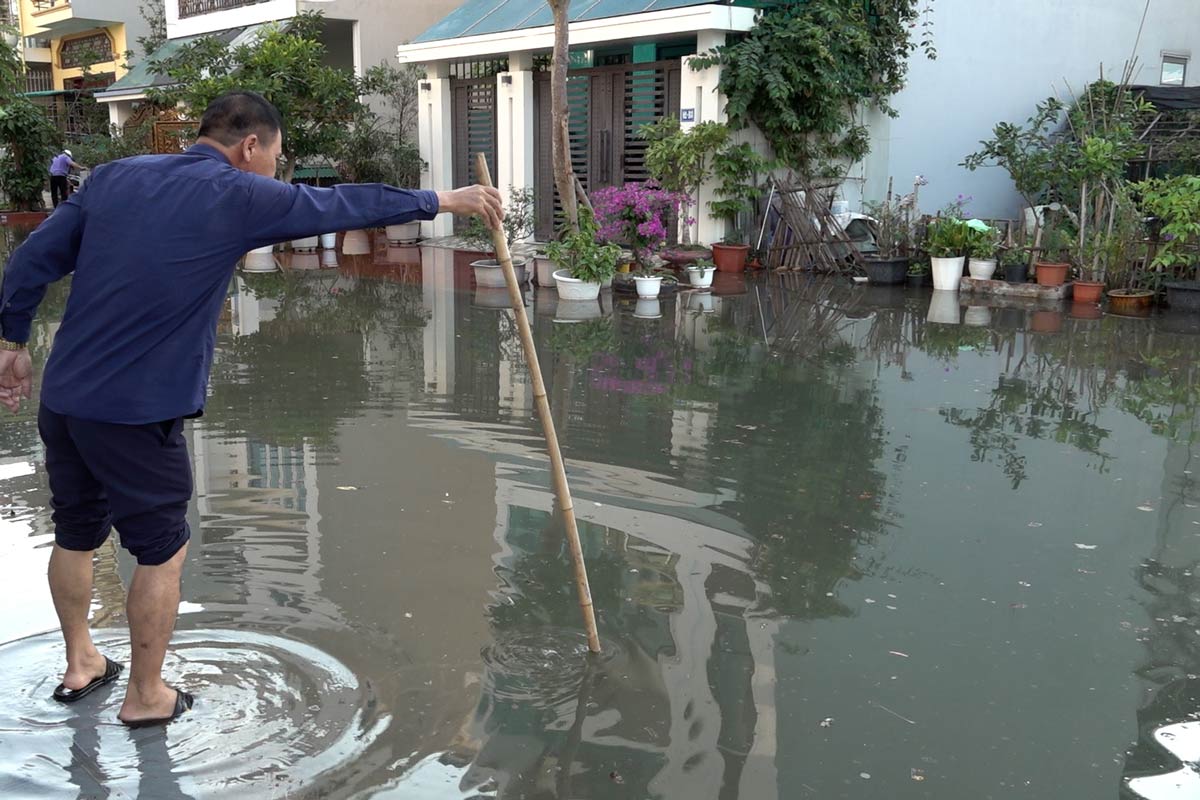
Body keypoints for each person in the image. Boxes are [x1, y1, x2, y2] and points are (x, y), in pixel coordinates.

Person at [0, 91, 503, 727]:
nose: (277, 170)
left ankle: (82, 664)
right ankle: (147, 696)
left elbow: (32, 260)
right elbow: (341, 203)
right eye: (277, 156)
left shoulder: (115, 178)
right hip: (136, 410)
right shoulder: (237, 192)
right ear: (250, 147)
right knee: (160, 550)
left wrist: (12, 341)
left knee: (76, 531)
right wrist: (443, 200)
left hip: (66, 397)